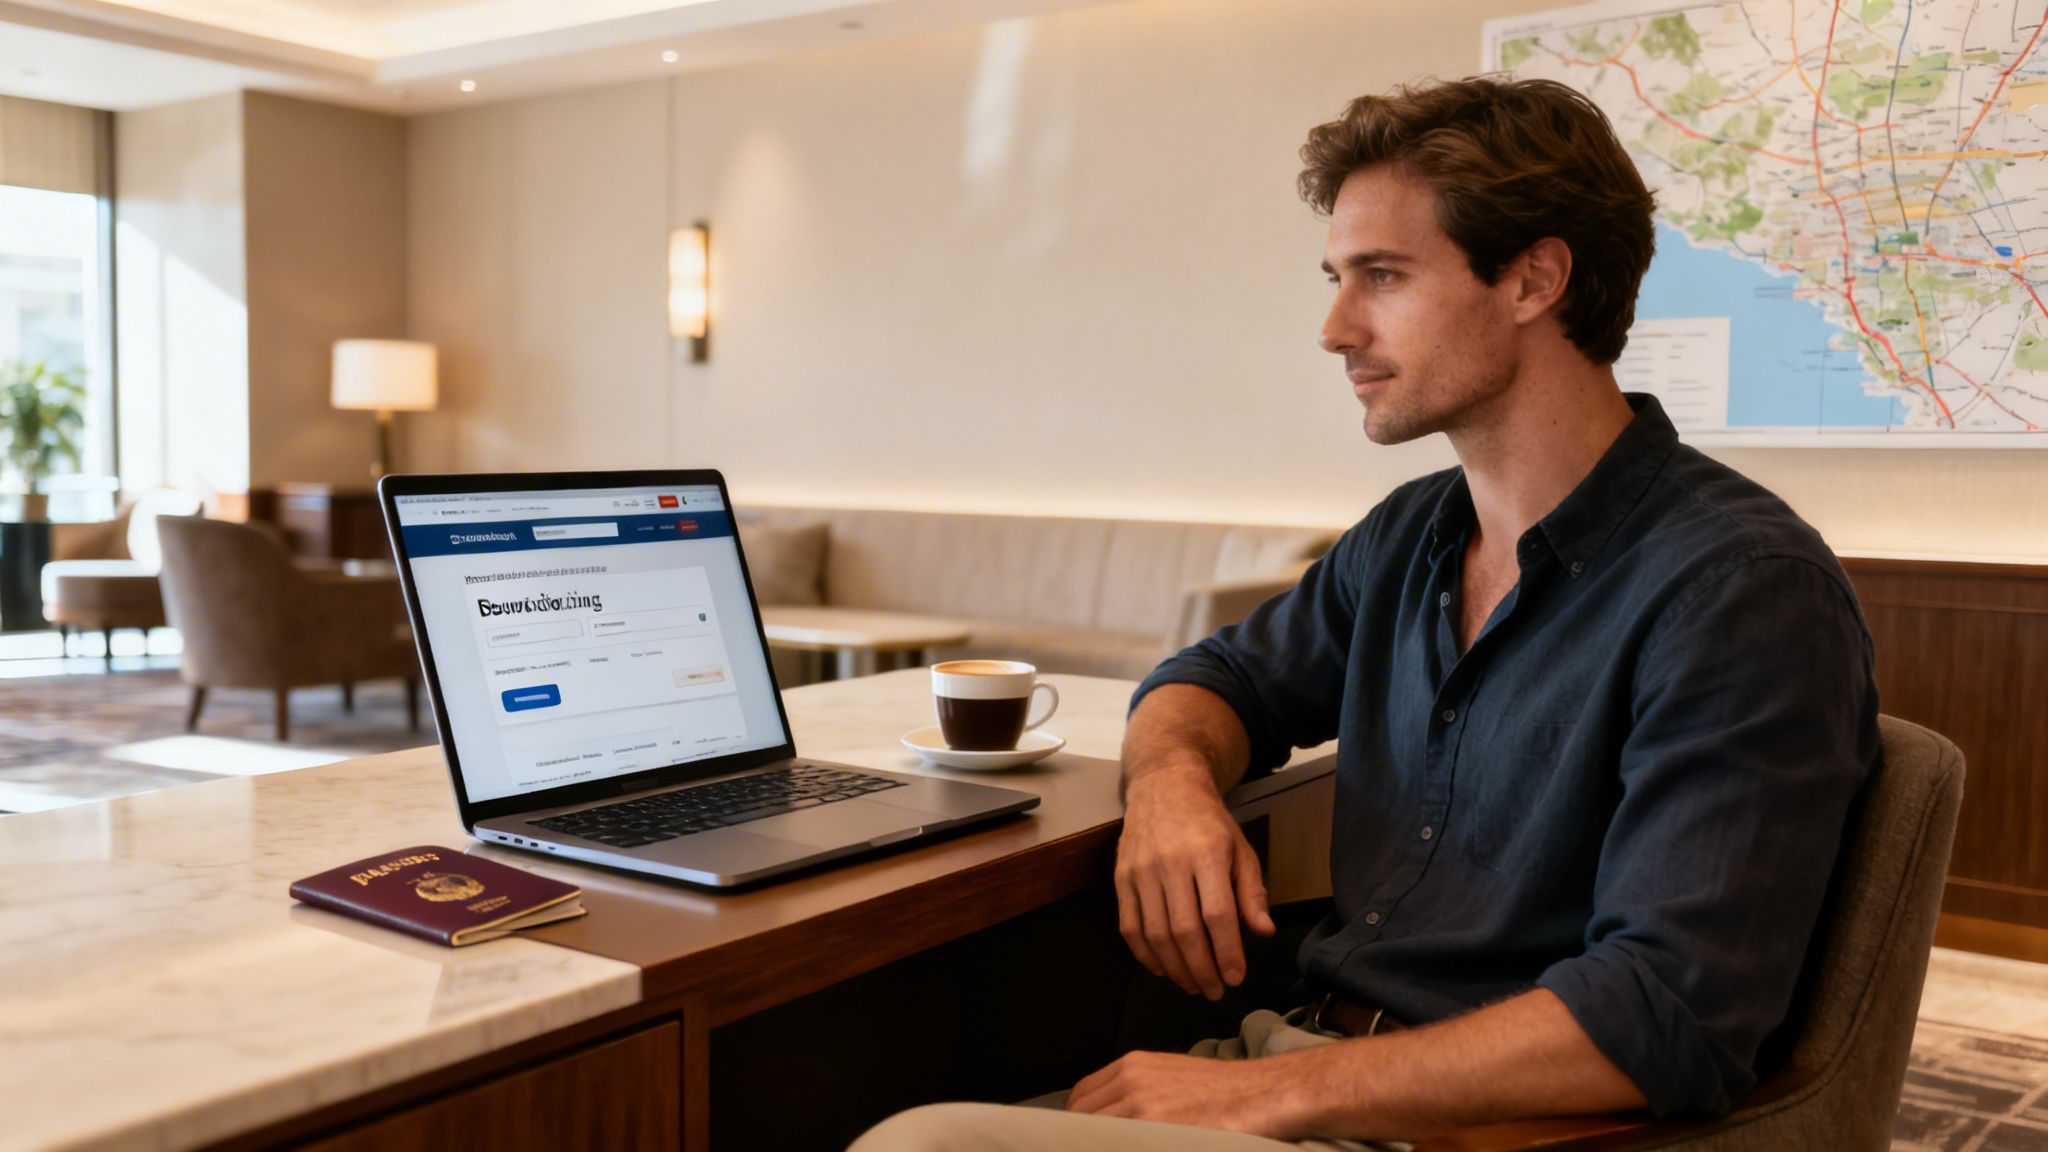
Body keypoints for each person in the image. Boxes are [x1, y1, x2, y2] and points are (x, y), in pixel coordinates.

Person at [851, 74, 1879, 1150]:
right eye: (1337, 277)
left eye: (1380, 277)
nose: (1335, 328)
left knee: (920, 1144)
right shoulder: (1410, 534)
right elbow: (1213, 680)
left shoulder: (1740, 589)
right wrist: (1168, 785)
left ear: (1533, 279)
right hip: (1297, 1063)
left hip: (1465, 1126)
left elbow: (1665, 1015)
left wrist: (1261, 1097)